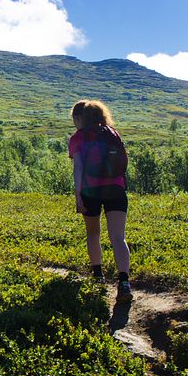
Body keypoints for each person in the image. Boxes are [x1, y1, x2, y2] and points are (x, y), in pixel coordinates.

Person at [69, 100, 132, 303]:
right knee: (118, 237)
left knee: (93, 233)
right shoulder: (112, 133)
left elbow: (78, 168)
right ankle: (124, 282)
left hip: (90, 190)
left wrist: (78, 195)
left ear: (82, 118)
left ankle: (98, 278)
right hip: (116, 188)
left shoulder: (78, 138)